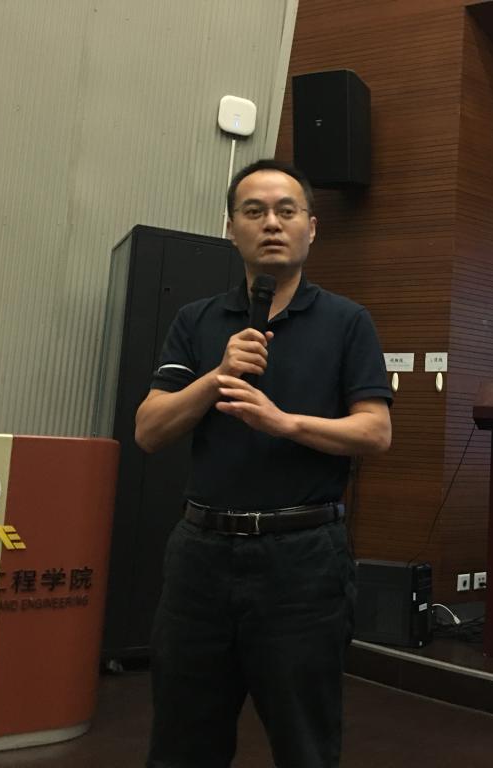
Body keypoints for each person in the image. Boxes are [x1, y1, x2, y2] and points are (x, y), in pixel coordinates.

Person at [135, 159, 393, 768]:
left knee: (306, 744)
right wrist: (217, 376)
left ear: (311, 227)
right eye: (254, 211)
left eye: (286, 210)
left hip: (302, 560)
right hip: (201, 556)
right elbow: (149, 429)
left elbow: (375, 431)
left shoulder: (347, 321)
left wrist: (283, 422)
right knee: (180, 742)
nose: (271, 223)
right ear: (231, 228)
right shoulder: (196, 320)